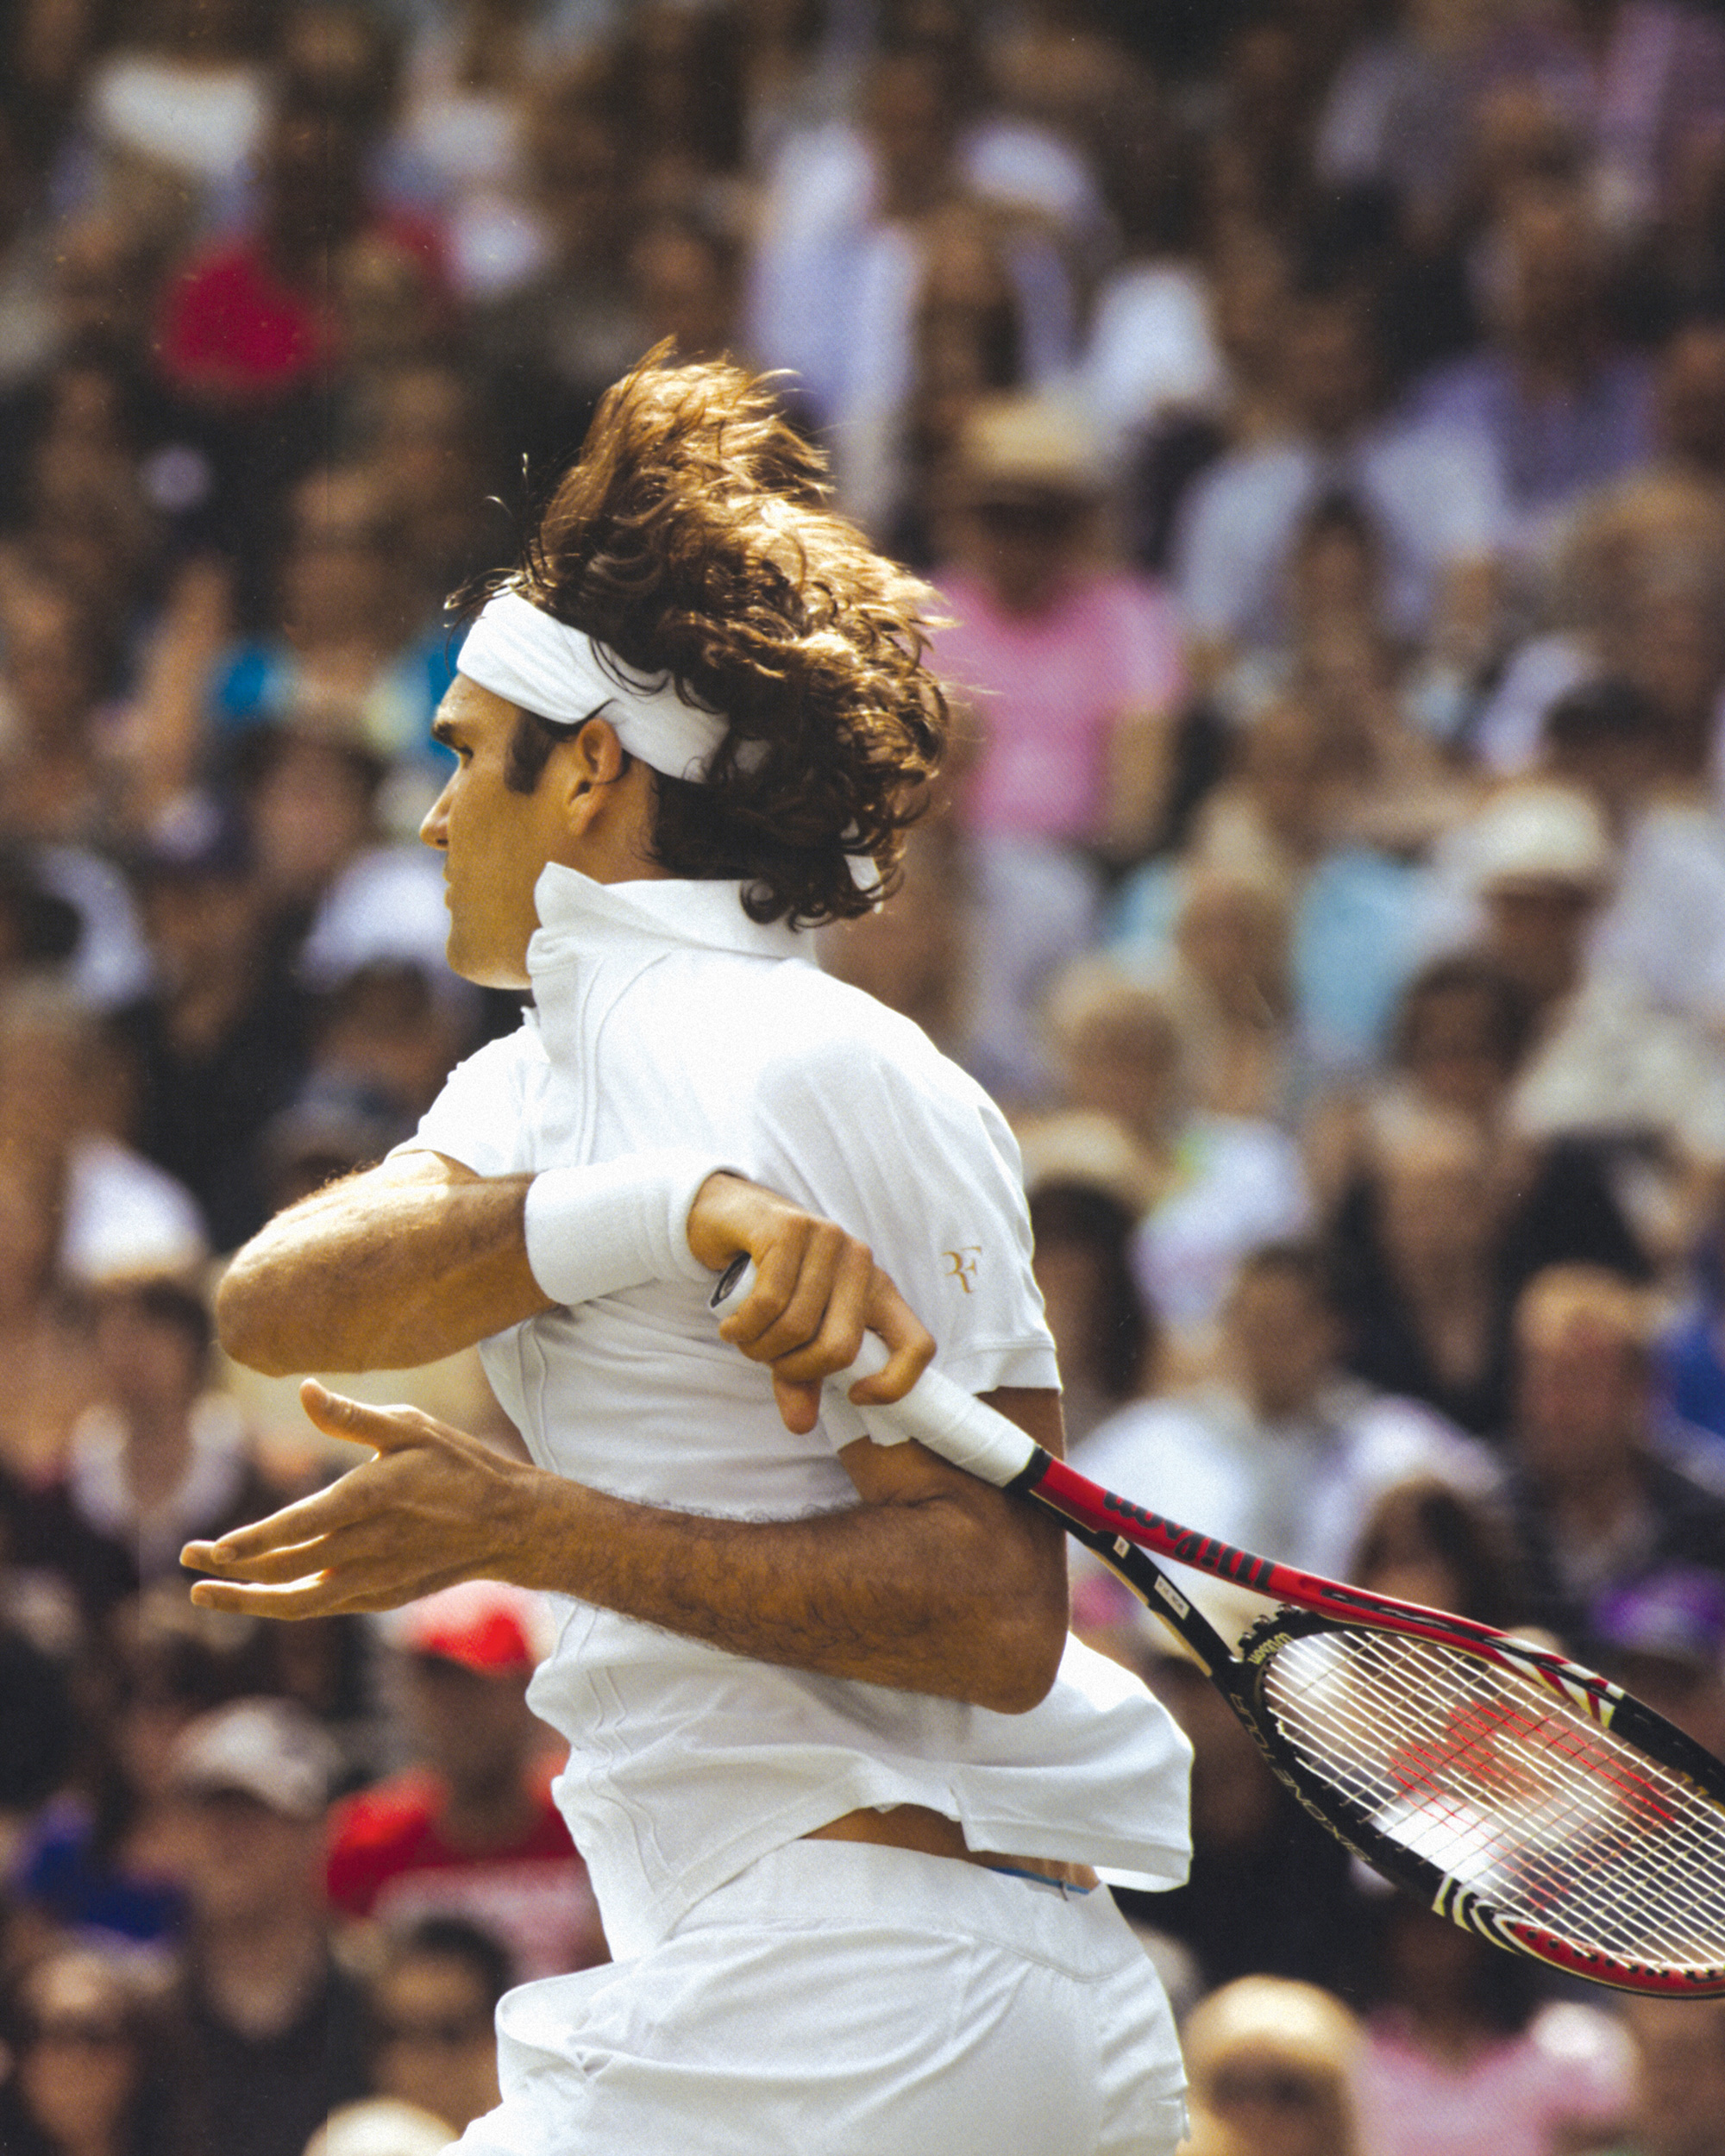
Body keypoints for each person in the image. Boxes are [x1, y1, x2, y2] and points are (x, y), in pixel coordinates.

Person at [183, 351, 1191, 2156]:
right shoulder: (546, 1075)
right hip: (849, 1993)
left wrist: (525, 1524)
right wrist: (658, 1211)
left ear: (586, 774)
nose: (433, 816)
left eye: (467, 759)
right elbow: (276, 1306)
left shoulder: (820, 1062)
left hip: (873, 1999)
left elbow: (995, 1607)